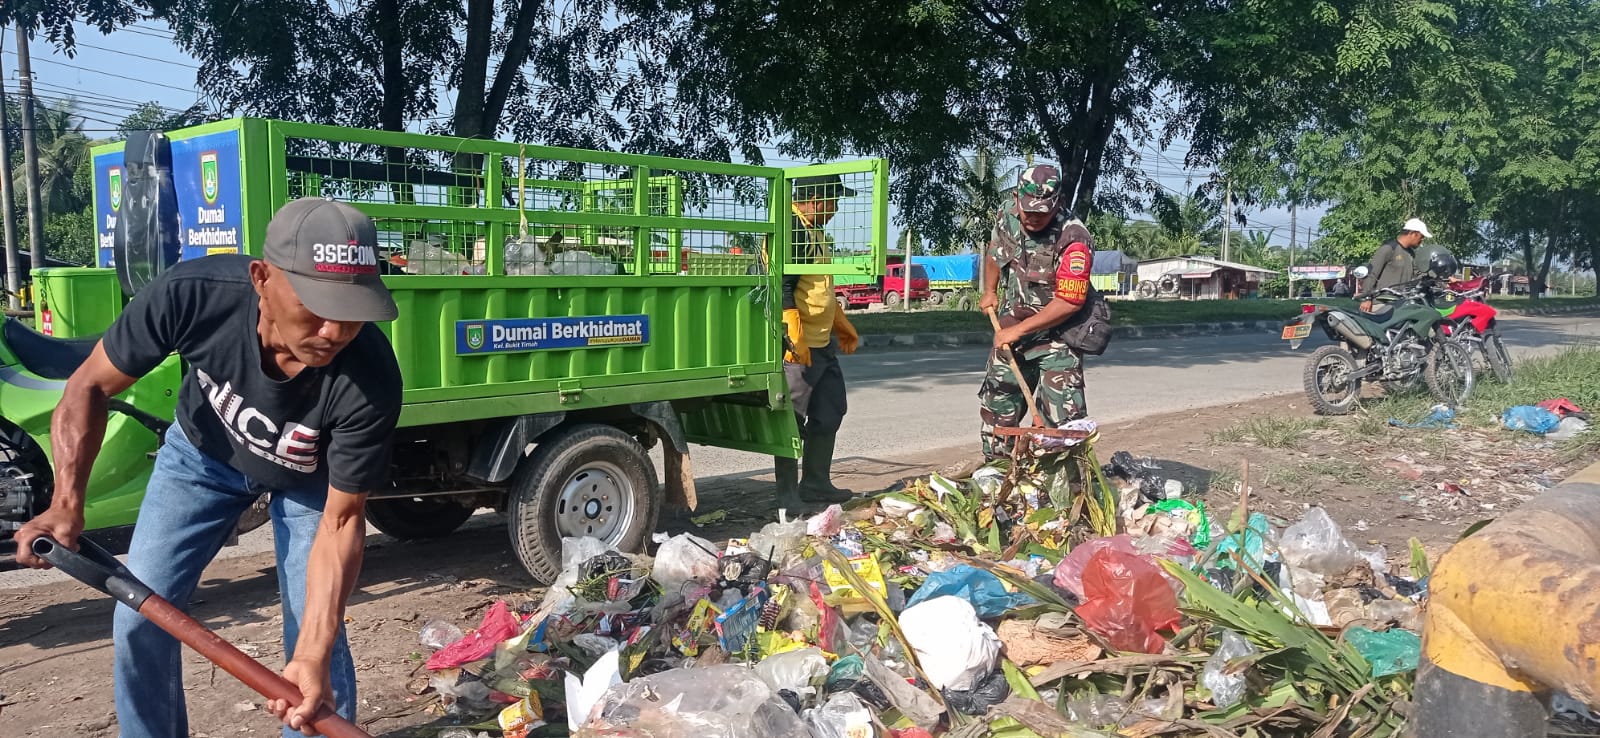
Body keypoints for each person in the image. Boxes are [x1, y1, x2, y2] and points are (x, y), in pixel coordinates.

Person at [14, 197, 404, 738]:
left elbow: (341, 522)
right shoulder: (194, 295)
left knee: (317, 643)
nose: (336, 330)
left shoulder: (371, 380)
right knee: (140, 614)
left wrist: (312, 653)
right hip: (201, 457)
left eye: (353, 311)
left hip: (307, 480)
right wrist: (66, 504)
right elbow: (89, 385)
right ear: (262, 278)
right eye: (317, 306)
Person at [978, 165, 1095, 460]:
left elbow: (1069, 301)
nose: (1033, 217)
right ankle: (1000, 476)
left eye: (1042, 211)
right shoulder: (1007, 215)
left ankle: (1055, 489)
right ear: (1017, 198)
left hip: (1058, 341)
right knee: (998, 411)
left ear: (1057, 203)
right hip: (1010, 332)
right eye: (1028, 209)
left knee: (1061, 429)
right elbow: (996, 251)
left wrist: (1017, 330)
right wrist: (990, 291)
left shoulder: (1074, 239)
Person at [773, 174, 860, 509]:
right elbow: (782, 287)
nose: (836, 209)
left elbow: (818, 288)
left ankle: (816, 483)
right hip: (798, 347)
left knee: (830, 410)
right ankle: (786, 494)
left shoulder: (815, 232)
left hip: (822, 343)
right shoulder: (791, 228)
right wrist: (793, 336)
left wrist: (839, 322)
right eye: (834, 201)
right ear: (819, 198)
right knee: (791, 418)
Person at [1360, 217, 1431, 311]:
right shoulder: (1389, 249)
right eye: (1421, 237)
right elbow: (1372, 273)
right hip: (1382, 304)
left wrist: (1441, 276)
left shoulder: (1411, 253)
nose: (1422, 240)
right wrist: (1367, 298)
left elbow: (1418, 273)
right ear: (1412, 233)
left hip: (1400, 303)